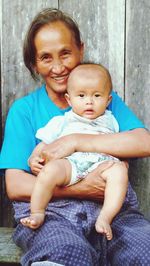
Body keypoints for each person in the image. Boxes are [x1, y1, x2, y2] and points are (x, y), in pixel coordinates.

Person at [0, 7, 150, 266]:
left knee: (142, 248)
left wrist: (76, 141)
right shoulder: (24, 110)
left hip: (112, 211)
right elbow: (15, 185)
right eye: (46, 58)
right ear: (34, 63)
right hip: (51, 213)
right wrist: (83, 188)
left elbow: (143, 142)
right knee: (64, 250)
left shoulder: (106, 103)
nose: (58, 67)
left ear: (81, 49)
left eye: (66, 53)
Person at [20, 63, 128, 241]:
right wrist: (34, 157)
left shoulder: (112, 120)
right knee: (50, 171)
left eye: (97, 95)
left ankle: (105, 217)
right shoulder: (62, 121)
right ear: (69, 100)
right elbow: (46, 144)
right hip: (72, 164)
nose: (89, 101)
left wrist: (121, 162)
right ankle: (38, 211)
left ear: (108, 100)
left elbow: (122, 145)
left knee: (120, 172)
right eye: (81, 95)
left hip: (101, 166)